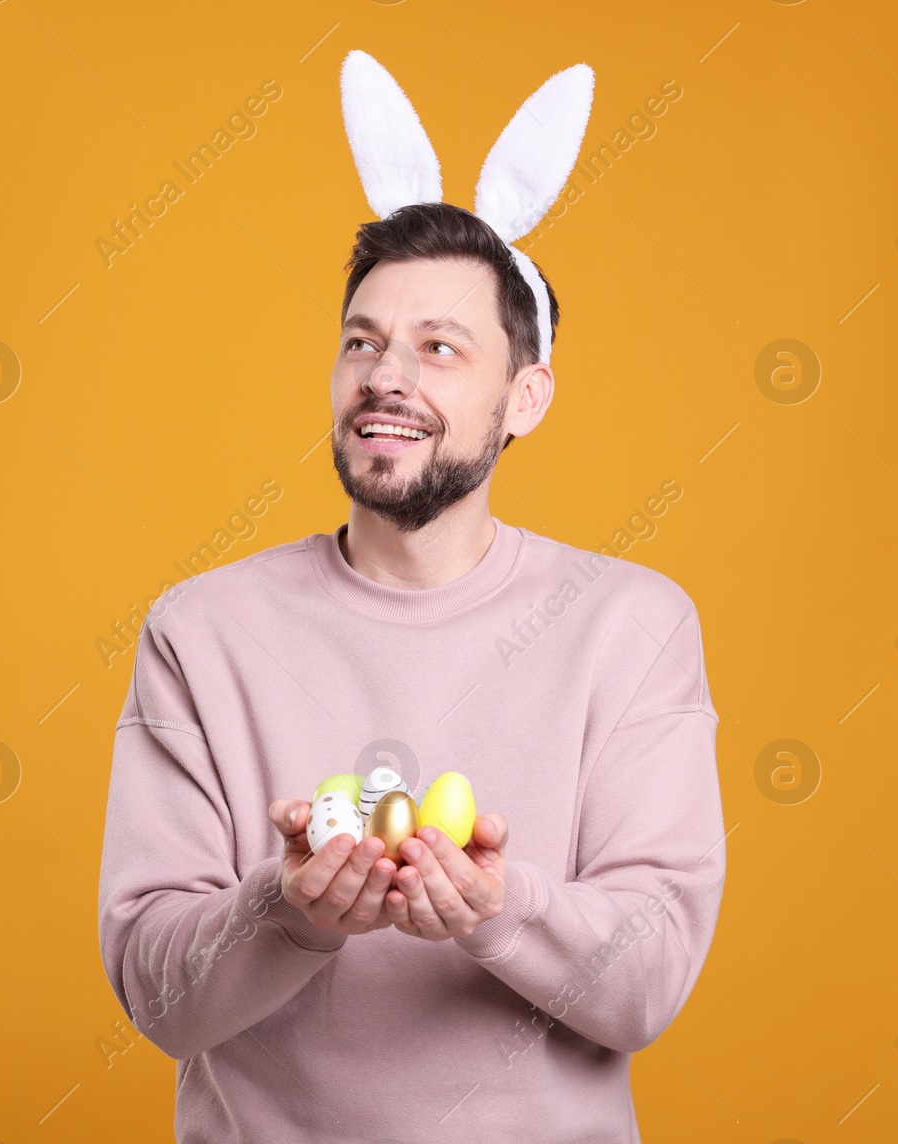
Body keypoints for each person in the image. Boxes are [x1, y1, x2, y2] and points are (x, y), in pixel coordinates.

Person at [96, 198, 726, 1142]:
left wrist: (498, 907)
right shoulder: (201, 630)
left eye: (439, 348)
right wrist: (290, 911)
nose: (385, 379)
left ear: (526, 398)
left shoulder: (631, 626)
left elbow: (647, 985)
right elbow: (159, 1000)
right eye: (362, 343)